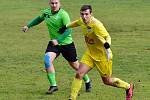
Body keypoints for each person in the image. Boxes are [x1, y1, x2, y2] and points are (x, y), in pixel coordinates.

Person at [59, 5, 133, 100]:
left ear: (91, 14)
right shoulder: (82, 20)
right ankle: (72, 98)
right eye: (82, 14)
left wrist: (107, 44)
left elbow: (108, 36)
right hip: (90, 53)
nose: (84, 16)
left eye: (86, 14)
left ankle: (128, 87)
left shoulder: (97, 25)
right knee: (79, 73)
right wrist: (65, 26)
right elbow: (77, 22)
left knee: (107, 81)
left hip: (103, 56)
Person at [22, 0, 92, 94]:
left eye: (56, 3)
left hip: (67, 44)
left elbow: (69, 30)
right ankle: (53, 85)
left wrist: (58, 40)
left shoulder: (63, 15)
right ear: (49, 3)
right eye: (52, 3)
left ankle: (87, 81)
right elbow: (39, 19)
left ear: (60, 4)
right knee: (47, 60)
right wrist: (28, 25)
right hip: (54, 44)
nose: (54, 5)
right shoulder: (46, 12)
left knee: (75, 65)